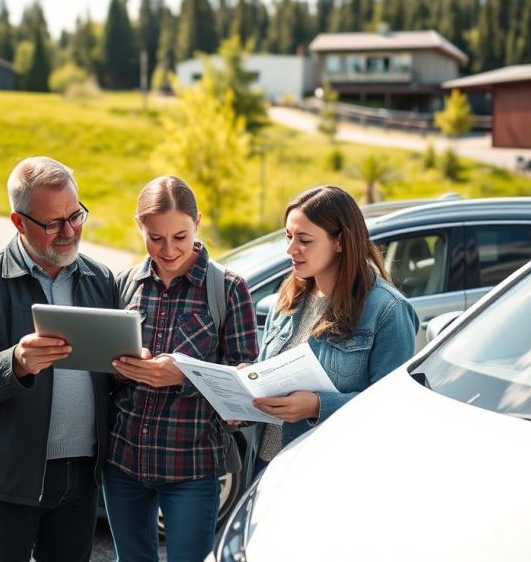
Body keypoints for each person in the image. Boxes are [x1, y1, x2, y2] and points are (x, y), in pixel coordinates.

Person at [0, 156, 117, 562]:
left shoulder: (101, 280)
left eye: (76, 215)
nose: (70, 231)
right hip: (10, 479)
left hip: (82, 475)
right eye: (54, 223)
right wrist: (16, 362)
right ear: (19, 223)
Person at [106, 176, 259, 562]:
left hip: (191, 466)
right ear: (139, 226)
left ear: (198, 223)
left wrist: (184, 376)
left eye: (180, 236)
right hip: (123, 461)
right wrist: (122, 368)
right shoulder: (126, 284)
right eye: (155, 237)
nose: (169, 249)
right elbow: (102, 374)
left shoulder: (227, 289)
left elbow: (245, 376)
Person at [248, 185, 418, 475]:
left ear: (339, 242)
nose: (290, 249)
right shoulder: (289, 297)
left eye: (304, 240)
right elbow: (270, 371)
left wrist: (317, 406)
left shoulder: (387, 310)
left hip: (329, 471)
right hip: (267, 468)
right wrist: (249, 380)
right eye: (288, 237)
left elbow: (391, 408)